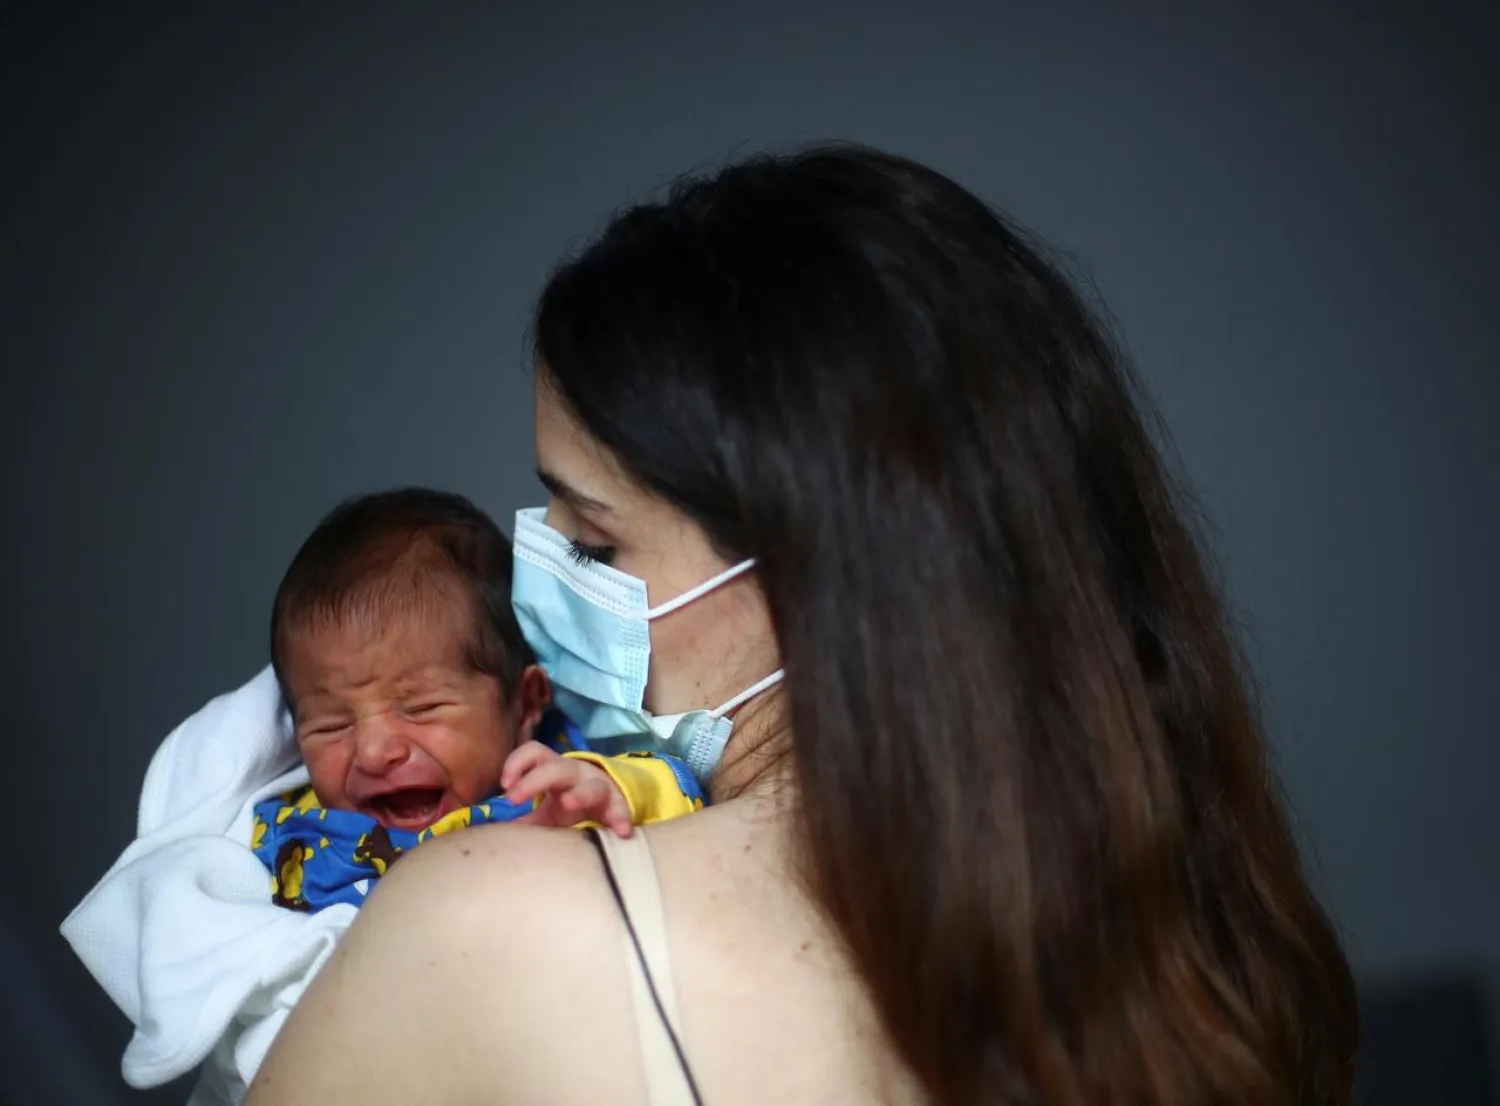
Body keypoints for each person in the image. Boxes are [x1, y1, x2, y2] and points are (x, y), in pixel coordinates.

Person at [244, 144, 1358, 1106]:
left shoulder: (491, 916)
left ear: (811, 572)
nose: (547, 597)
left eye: (594, 543)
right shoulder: (1220, 953)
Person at [255, 487, 705, 912]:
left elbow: (682, 795)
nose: (374, 752)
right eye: (332, 725)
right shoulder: (300, 834)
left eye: (421, 708)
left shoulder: (559, 787)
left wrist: (613, 793)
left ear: (525, 703)